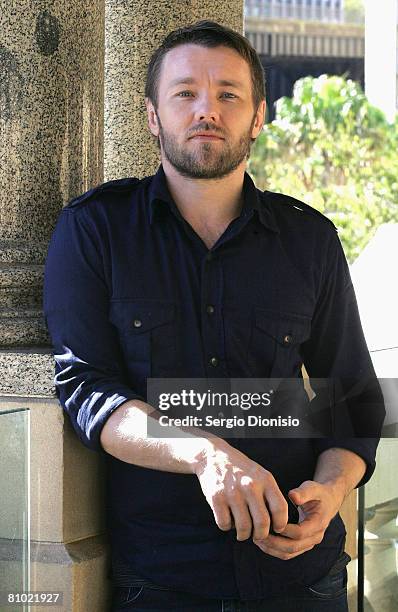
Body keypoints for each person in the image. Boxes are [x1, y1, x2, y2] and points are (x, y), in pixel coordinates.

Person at [44, 20, 385, 612]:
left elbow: (351, 397)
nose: (207, 110)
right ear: (153, 115)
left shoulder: (310, 240)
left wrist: (331, 493)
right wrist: (206, 453)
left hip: (303, 577)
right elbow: (87, 392)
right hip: (163, 580)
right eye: (185, 94)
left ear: (257, 117)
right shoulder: (95, 230)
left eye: (229, 94)